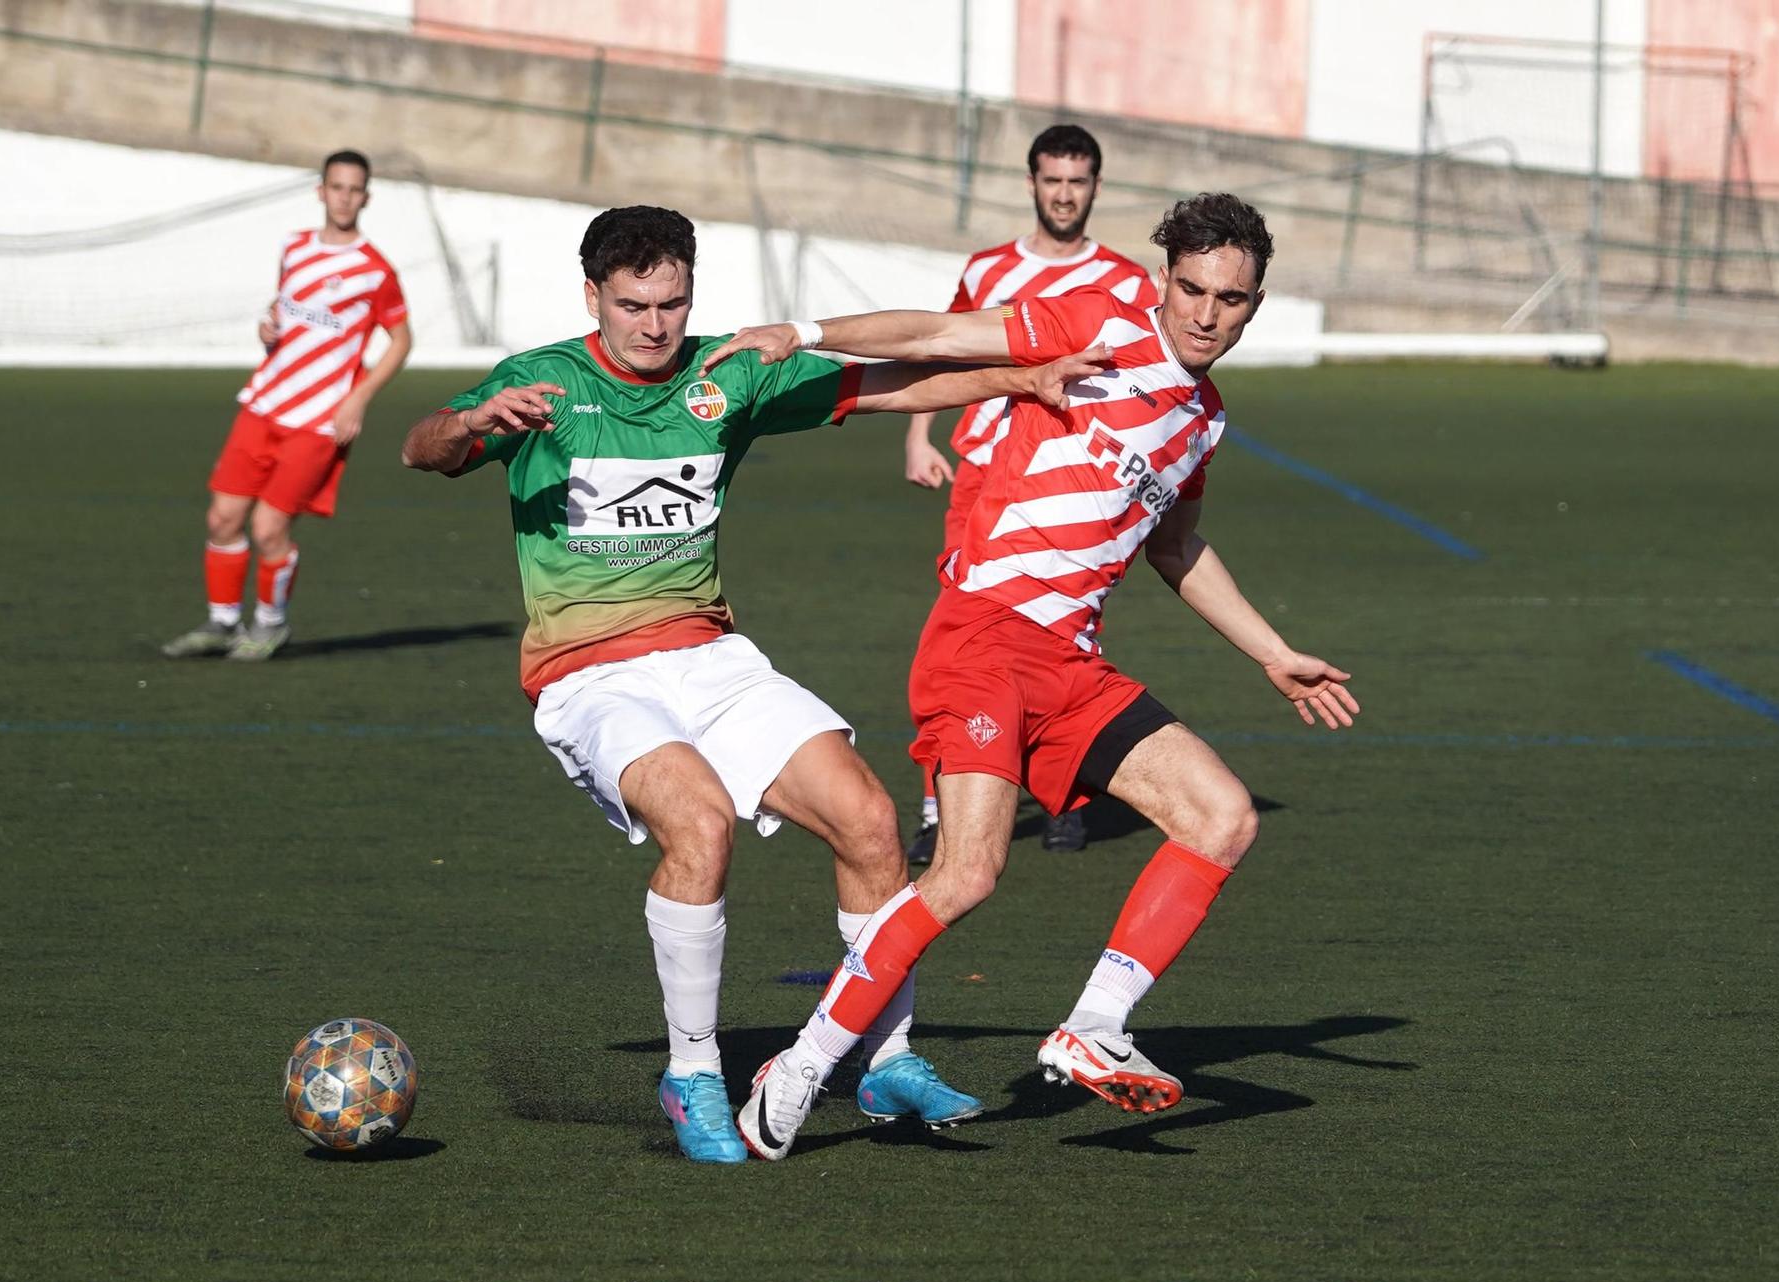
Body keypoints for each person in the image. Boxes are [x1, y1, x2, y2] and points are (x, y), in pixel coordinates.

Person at [399, 206, 1104, 1164]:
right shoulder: (542, 382)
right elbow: (422, 449)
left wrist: (1026, 379)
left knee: (868, 820)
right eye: (633, 305)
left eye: (673, 302)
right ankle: (693, 1073)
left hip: (711, 658)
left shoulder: (726, 371)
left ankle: (887, 1057)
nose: (655, 325)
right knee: (700, 824)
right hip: (590, 674)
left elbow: (895, 381)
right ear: (593, 298)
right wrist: (473, 422)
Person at [700, 193, 1361, 1161]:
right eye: (1191, 286)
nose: (1205, 312)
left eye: (1230, 297)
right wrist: (797, 332)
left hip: (1067, 664)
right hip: (980, 639)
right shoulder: (1095, 319)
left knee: (1221, 814)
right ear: (1161, 275)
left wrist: (1270, 650)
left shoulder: (1201, 424)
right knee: (965, 872)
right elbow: (934, 335)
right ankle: (798, 1065)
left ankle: (1093, 1025)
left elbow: (1175, 547)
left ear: (1253, 305)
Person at [901, 124, 1154, 861]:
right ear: (1032, 183)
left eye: (1078, 180)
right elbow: (945, 342)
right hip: (984, 473)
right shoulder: (988, 270)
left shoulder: (1127, 281)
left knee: (1067, 628)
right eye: (1052, 179)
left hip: (1078, 478)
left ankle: (1065, 801)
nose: (1064, 193)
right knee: (961, 631)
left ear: (1096, 187)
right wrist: (919, 436)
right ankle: (935, 804)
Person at [162, 149, 412, 662]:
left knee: (268, 528)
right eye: (336, 187)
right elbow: (284, 305)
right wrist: (267, 323)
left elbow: (402, 340)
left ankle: (271, 624)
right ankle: (223, 622)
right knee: (221, 519)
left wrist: (358, 399)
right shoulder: (294, 246)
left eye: (354, 189)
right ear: (320, 191)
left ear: (366, 197)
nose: (344, 197)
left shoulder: (374, 270)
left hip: (320, 420)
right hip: (264, 403)